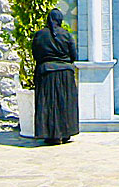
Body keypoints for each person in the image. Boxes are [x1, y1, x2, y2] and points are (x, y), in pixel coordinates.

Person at [31, 8, 79, 145]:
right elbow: (73, 56)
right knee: (64, 104)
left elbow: (36, 54)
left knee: (49, 104)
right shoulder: (67, 35)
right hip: (65, 74)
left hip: (46, 73)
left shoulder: (39, 35)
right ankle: (66, 133)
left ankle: (51, 135)